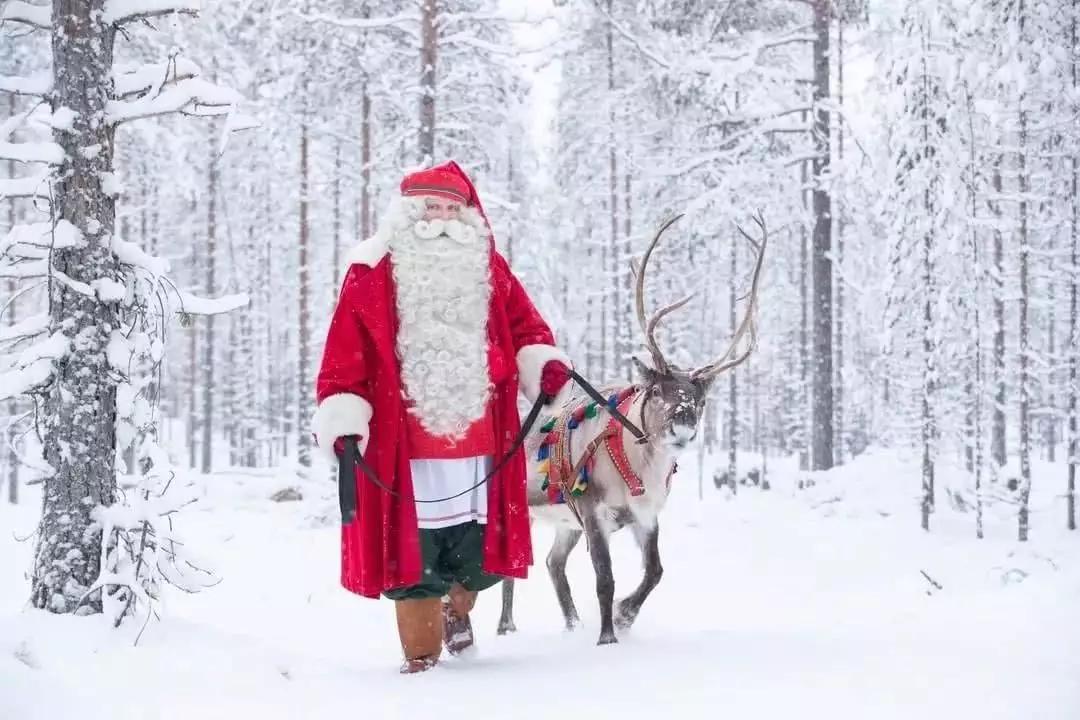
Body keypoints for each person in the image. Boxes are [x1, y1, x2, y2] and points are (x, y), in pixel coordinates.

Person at [312, 161, 574, 673]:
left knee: (478, 551)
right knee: (413, 556)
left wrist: (542, 363)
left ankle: (458, 609)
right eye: (432, 207)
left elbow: (526, 328)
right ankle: (422, 660)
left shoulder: (487, 267)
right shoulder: (371, 273)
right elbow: (345, 353)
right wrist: (343, 413)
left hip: (483, 447)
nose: (443, 218)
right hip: (404, 450)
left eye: (454, 209)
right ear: (408, 212)